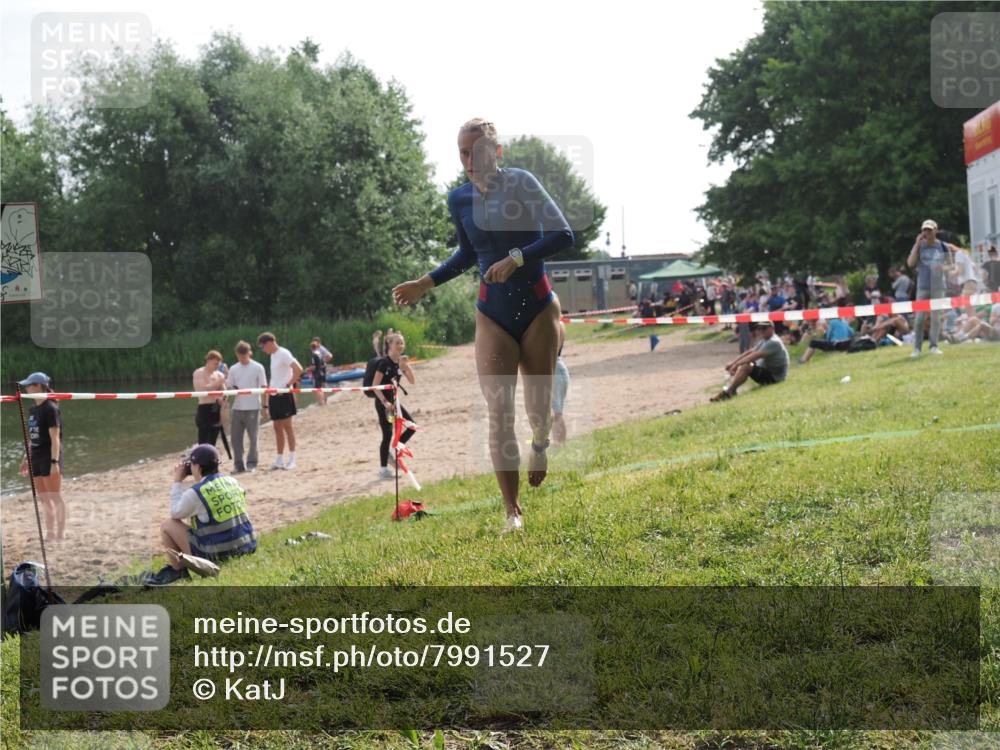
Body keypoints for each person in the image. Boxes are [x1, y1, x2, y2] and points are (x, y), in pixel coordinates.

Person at [392, 118, 573, 532]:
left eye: (475, 151)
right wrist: (425, 283)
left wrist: (518, 258)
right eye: (462, 152)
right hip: (492, 313)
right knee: (499, 411)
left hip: (538, 308)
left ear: (498, 152)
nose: (468, 160)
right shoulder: (458, 199)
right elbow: (466, 254)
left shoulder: (523, 184)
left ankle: (540, 444)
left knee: (538, 410)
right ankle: (512, 510)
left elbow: (563, 234)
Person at [157, 443, 257, 584]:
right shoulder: (232, 481)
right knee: (200, 517)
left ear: (197, 467)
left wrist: (177, 481)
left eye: (191, 464)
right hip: (246, 546)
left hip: (217, 555)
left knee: (168, 525)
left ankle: (179, 574)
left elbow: (175, 513)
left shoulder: (197, 492)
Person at [17, 372, 66, 542]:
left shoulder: (50, 408)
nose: (26, 388)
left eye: (29, 385)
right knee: (44, 498)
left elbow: (55, 438)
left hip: (49, 456)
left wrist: (54, 462)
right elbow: (33, 436)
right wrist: (26, 457)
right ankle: (50, 532)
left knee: (55, 496)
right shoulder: (33, 409)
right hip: (36, 456)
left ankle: (60, 533)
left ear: (38, 386)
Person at [907, 219, 956, 357]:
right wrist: (917, 244)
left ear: (935, 230)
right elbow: (910, 263)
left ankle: (934, 346)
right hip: (922, 286)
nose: (926, 232)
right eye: (924, 230)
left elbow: (951, 265)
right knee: (919, 318)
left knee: (936, 317)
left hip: (938, 286)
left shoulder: (942, 246)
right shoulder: (919, 246)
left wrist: (943, 267)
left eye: (929, 229)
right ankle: (916, 348)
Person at [370, 332, 416, 479]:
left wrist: (406, 367)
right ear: (390, 345)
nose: (400, 346)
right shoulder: (384, 363)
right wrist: (385, 402)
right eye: (397, 343)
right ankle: (383, 470)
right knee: (387, 434)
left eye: (402, 343)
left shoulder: (400, 363)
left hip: (395, 402)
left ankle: (394, 449)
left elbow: (412, 381)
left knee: (412, 426)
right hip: (383, 402)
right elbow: (374, 386)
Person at [257, 332, 303, 470]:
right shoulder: (273, 355)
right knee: (276, 427)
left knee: (287, 427)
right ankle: (279, 459)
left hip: (284, 394)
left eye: (263, 347)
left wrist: (288, 385)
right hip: (274, 394)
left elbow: (298, 369)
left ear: (269, 342)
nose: (263, 350)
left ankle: (292, 459)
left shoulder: (283, 353)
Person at [710, 321, 789, 401]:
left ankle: (729, 392)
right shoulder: (766, 339)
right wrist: (733, 363)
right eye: (759, 328)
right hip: (770, 373)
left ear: (772, 328)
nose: (761, 331)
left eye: (764, 328)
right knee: (746, 365)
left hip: (775, 378)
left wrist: (735, 365)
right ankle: (731, 390)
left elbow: (752, 357)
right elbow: (750, 352)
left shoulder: (773, 342)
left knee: (746, 366)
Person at [225, 341, 267, 474]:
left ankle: (252, 463)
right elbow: (229, 386)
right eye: (239, 356)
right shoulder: (233, 368)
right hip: (237, 408)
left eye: (244, 356)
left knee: (253, 437)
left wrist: (265, 406)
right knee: (235, 438)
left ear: (249, 353)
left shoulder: (258, 367)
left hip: (253, 407)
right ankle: (238, 465)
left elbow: (264, 387)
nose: (242, 359)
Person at [193, 350, 225, 446]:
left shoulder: (219, 375)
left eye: (218, 364)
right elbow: (203, 389)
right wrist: (218, 381)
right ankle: (202, 459)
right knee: (203, 438)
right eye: (215, 363)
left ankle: (211, 458)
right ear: (209, 360)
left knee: (214, 434)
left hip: (215, 407)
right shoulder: (199, 373)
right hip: (204, 407)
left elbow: (225, 392)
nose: (216, 366)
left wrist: (222, 398)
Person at [552, 319, 570, 444]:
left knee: (557, 413)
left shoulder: (552, 325)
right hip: (560, 367)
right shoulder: (560, 324)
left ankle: (560, 444)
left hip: (554, 370)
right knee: (557, 412)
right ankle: (558, 443)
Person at [309, 341, 328, 406]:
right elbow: (324, 364)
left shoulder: (313, 355)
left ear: (311, 348)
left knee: (317, 389)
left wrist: (308, 369)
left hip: (317, 374)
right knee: (322, 387)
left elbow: (313, 366)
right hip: (322, 372)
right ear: (317, 347)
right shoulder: (320, 354)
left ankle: (320, 403)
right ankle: (324, 401)